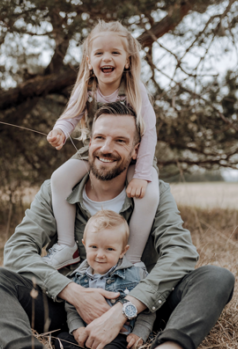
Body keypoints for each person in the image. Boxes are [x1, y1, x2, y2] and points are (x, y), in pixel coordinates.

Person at [0, 101, 235, 349]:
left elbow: (180, 253)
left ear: (136, 151)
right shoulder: (57, 190)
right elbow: (18, 249)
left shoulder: (154, 192)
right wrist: (74, 294)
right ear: (89, 142)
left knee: (216, 278)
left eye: (120, 141)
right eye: (100, 138)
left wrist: (126, 310)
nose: (107, 148)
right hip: (66, 307)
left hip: (139, 308)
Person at [43, 21, 159, 272]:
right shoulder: (87, 86)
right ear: (89, 61)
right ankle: (66, 245)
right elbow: (71, 115)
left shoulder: (134, 88)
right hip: (96, 151)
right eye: (99, 53)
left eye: (115, 53)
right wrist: (60, 131)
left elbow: (149, 132)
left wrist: (141, 174)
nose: (107, 58)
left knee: (148, 195)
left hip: (137, 154)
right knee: (59, 178)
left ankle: (132, 261)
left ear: (127, 61)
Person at [53, 210, 155, 349]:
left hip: (117, 333)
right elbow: (71, 308)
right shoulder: (77, 277)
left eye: (109, 249)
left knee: (118, 346)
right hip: (86, 333)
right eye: (94, 247)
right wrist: (77, 328)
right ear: (85, 244)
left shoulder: (135, 275)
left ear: (123, 251)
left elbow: (147, 308)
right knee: (61, 337)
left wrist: (139, 333)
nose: (100, 255)